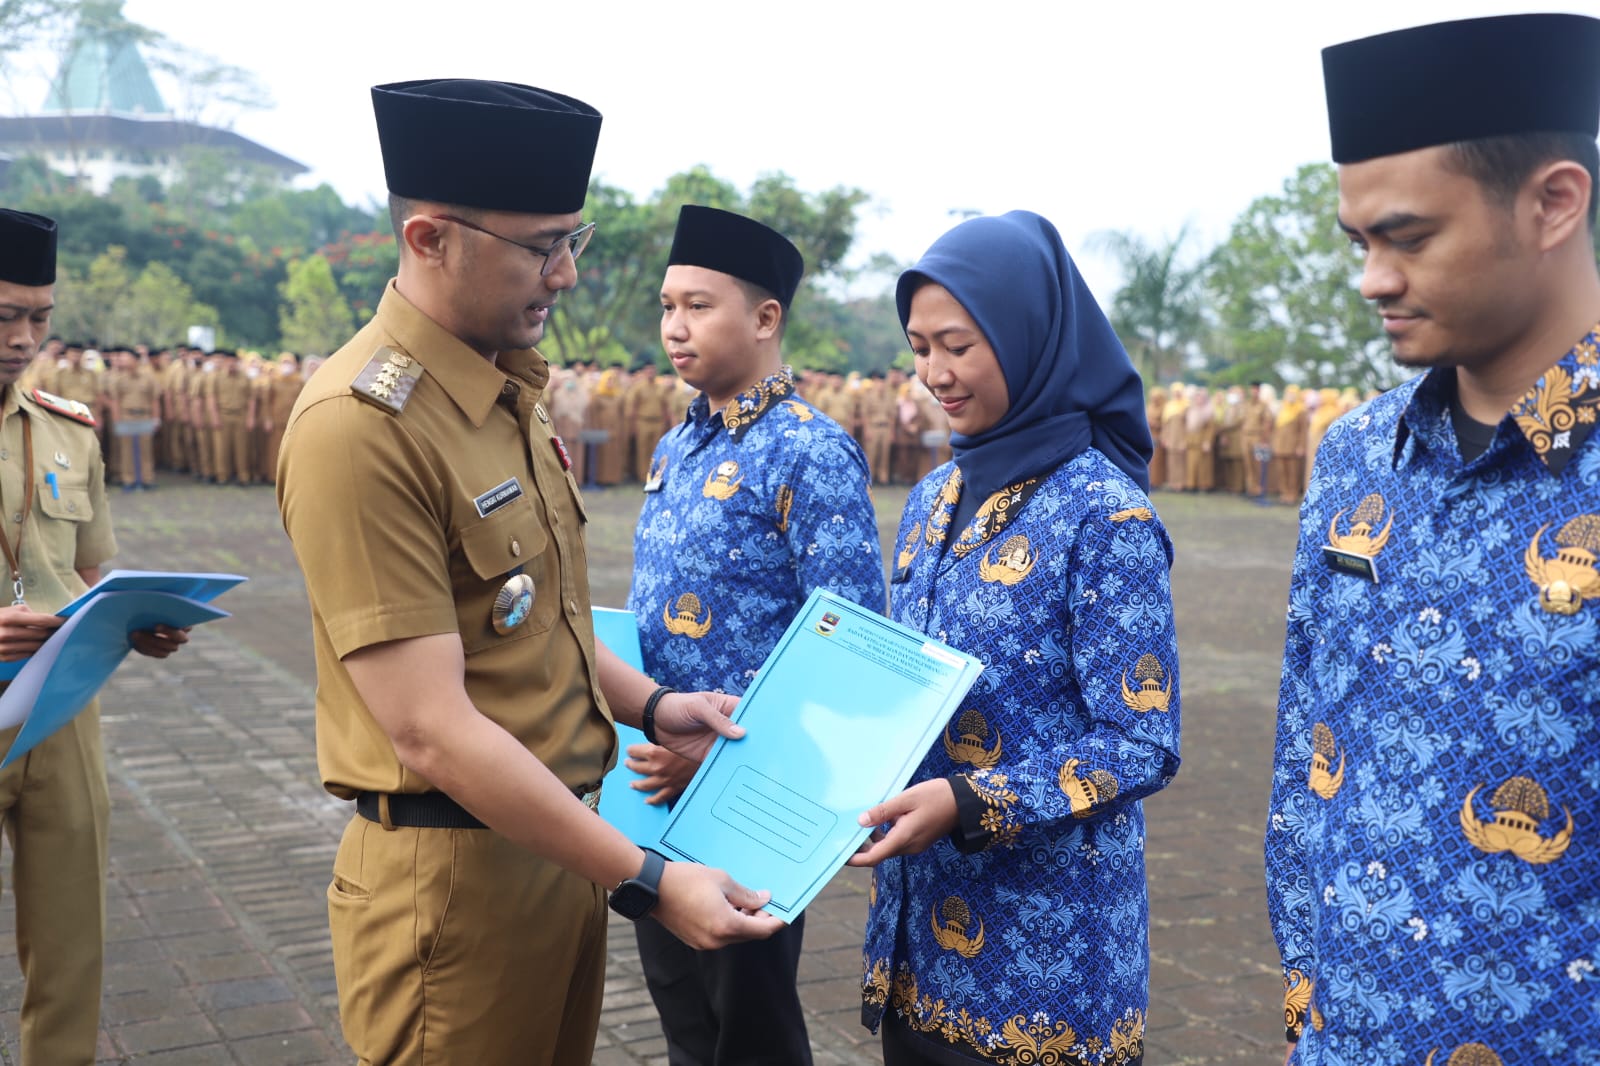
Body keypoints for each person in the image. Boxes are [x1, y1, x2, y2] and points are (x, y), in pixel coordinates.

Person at [274, 80, 783, 1066]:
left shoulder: (503, 387)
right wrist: (646, 880)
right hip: (452, 884)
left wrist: (655, 705)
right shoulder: (362, 427)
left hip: (555, 849)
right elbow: (429, 727)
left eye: (572, 240)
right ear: (430, 239)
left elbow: (536, 623)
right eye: (541, 246)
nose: (567, 273)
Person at [1264, 14, 1600, 1064]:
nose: (1372, 278)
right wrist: (1305, 1006)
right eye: (1359, 244)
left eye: (1408, 239)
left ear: (1553, 203)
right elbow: (1304, 748)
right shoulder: (1359, 455)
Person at [849, 211, 1180, 1064]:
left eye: (958, 345)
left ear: (1028, 336)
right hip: (918, 941)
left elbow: (1142, 743)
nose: (935, 373)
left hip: (1048, 963)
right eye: (919, 348)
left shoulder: (1104, 517)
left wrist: (970, 801)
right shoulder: (931, 501)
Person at [625, 205, 886, 1066]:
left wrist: (719, 762)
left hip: (749, 794)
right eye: (668, 306)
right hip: (652, 787)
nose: (674, 327)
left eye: (698, 306)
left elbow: (852, 650)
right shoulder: (675, 446)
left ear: (766, 317)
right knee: (685, 1025)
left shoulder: (810, 452)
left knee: (752, 1034)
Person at [0, 208, 187, 1065]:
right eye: (7, 315)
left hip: (60, 706)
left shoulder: (66, 429)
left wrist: (132, 621)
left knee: (71, 938)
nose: (24, 338)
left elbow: (86, 572)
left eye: (39, 317)